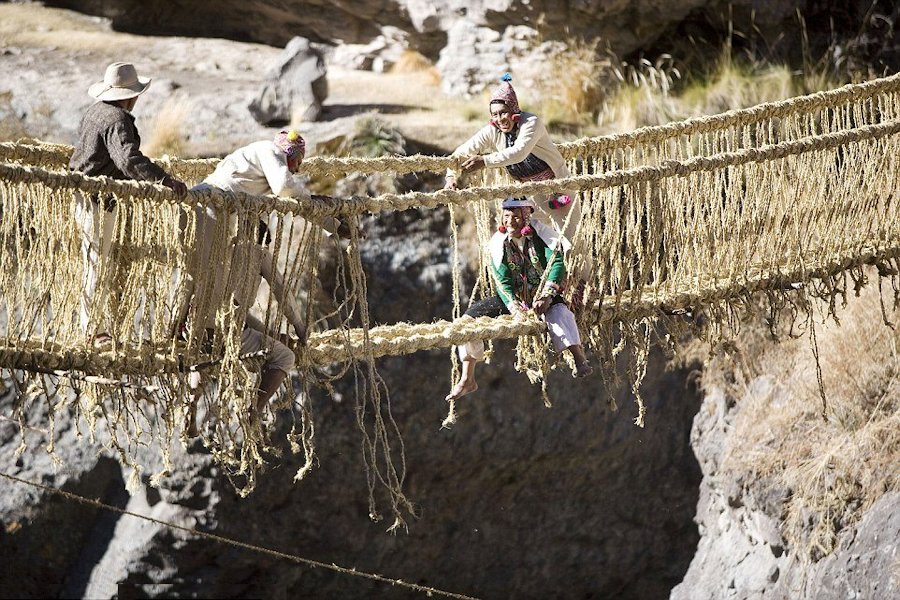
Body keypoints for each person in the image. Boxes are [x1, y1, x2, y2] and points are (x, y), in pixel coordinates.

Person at [69, 61, 187, 342]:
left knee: (95, 259)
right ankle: (94, 332)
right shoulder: (118, 120)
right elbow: (128, 159)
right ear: (130, 96)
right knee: (97, 261)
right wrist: (164, 180)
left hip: (85, 195)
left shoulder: (96, 112)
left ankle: (94, 327)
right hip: (96, 197)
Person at [445, 197, 592, 402]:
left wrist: (548, 295)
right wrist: (514, 308)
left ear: (526, 217)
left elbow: (556, 265)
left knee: (559, 314)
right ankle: (467, 378)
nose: (511, 221)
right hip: (514, 299)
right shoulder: (498, 244)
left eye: (516, 217)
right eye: (506, 217)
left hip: (543, 295)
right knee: (467, 322)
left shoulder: (542, 236)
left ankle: (579, 357)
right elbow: (502, 281)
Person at [444, 73, 579, 239]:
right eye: (494, 114)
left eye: (503, 113)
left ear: (514, 110)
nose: (499, 119)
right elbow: (461, 153)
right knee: (537, 245)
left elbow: (519, 152)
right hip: (531, 193)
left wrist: (485, 161)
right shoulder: (492, 131)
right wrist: (451, 176)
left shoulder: (531, 123)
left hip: (559, 188)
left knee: (572, 245)